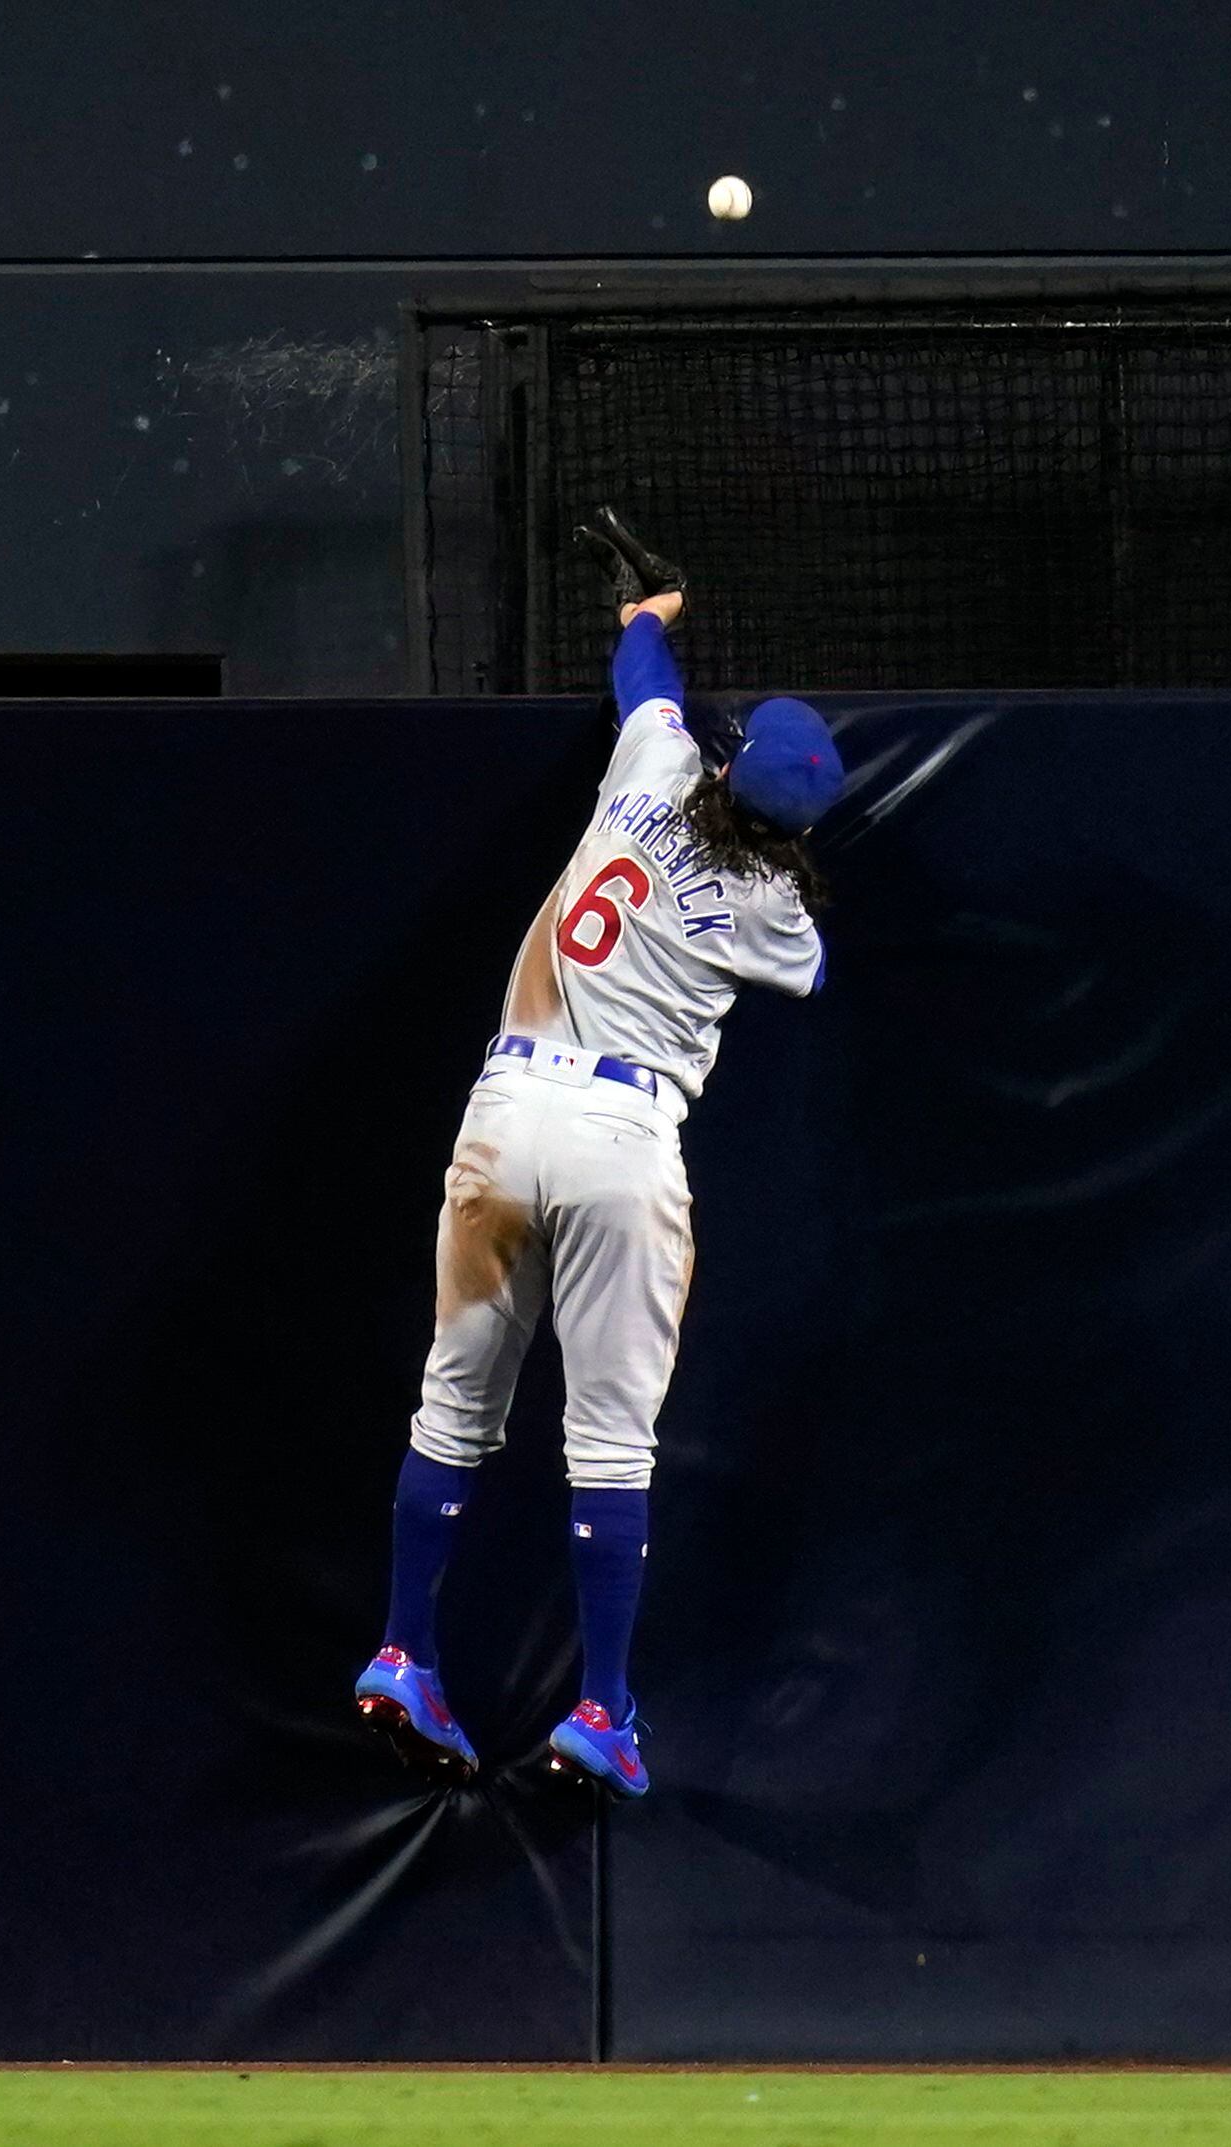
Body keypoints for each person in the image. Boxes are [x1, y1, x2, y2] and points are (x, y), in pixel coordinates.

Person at [352, 507, 843, 1797]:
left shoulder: (654, 767)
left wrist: (650, 615)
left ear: (728, 763)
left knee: (453, 1410)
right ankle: (603, 1710)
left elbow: (648, 685)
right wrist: (776, 845)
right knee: (610, 1451)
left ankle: (404, 1651)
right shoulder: (778, 907)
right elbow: (811, 965)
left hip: (506, 1114)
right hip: (626, 1139)